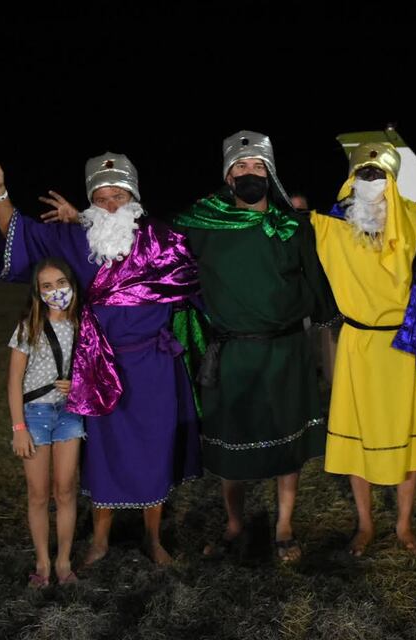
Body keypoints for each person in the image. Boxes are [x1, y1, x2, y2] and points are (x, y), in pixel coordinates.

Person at [0, 147, 201, 566]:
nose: (110, 205)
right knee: (103, 454)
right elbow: (23, 234)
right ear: (91, 201)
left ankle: (154, 537)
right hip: (97, 366)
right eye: (101, 198)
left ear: (134, 197)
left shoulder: (163, 239)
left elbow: (191, 288)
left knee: (154, 449)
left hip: (153, 367)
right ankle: (100, 541)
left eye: (118, 196)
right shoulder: (75, 239)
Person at [172, 131, 336, 563]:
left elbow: (317, 279)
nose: (249, 173)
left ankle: (283, 525)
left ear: (271, 174)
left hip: (286, 352)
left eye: (258, 167)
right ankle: (234, 523)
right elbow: (144, 245)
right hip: (233, 353)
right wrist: (88, 221)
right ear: (227, 177)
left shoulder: (292, 226)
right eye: (240, 167)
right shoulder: (199, 225)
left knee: (288, 446)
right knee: (232, 446)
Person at [312, 141, 416, 556]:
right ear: (350, 177)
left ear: (392, 179)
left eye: (378, 174)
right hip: (356, 343)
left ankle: (403, 525)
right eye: (362, 174)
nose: (370, 181)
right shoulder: (328, 223)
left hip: (402, 344)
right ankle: (365, 525)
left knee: (407, 437)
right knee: (358, 437)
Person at [8, 257, 84, 587]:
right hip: (34, 417)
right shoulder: (29, 327)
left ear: (73, 284)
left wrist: (78, 384)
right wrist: (19, 428)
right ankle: (42, 564)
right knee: (38, 494)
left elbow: (96, 371)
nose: (56, 292)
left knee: (65, 491)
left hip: (69, 414)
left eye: (61, 284)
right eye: (47, 287)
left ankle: (64, 562)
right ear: (38, 293)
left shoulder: (84, 325)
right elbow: (14, 381)